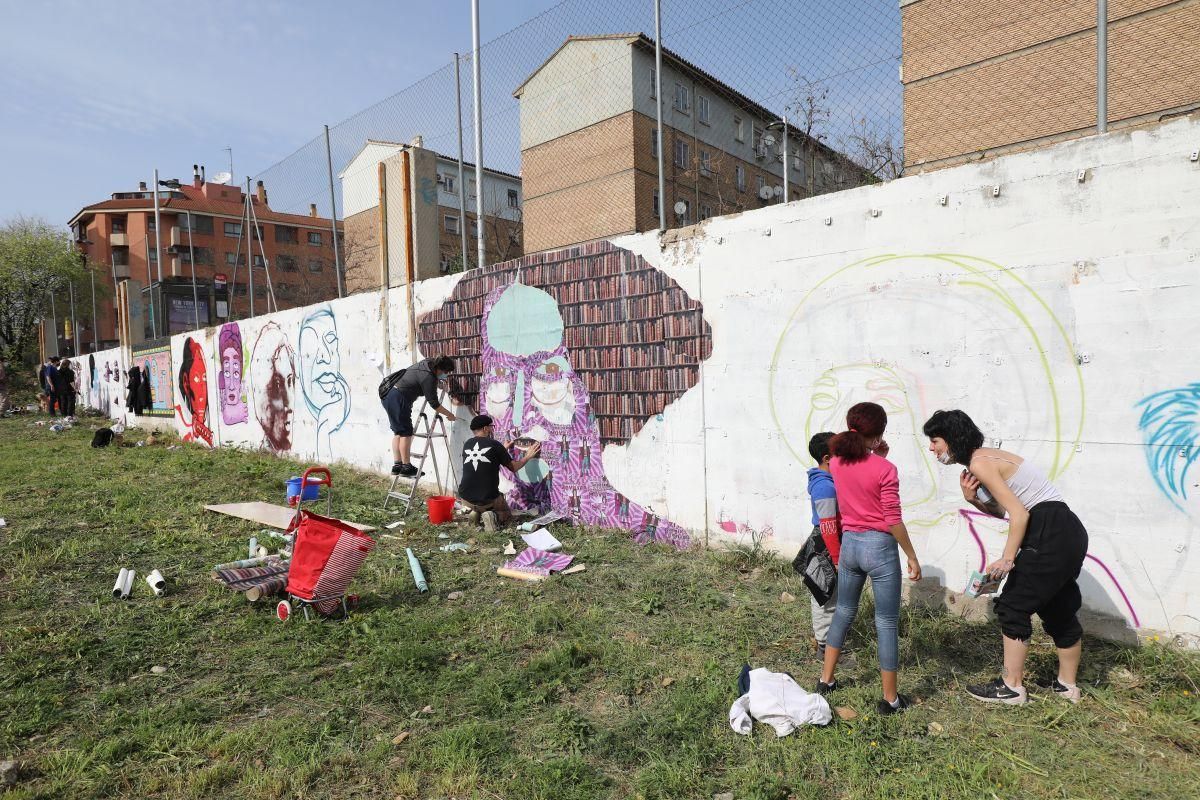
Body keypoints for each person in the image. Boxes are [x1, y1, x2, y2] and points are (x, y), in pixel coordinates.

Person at [924, 409, 1087, 705]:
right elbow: (1006, 511)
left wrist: (1008, 558)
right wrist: (972, 499)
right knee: (1058, 607)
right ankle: (1067, 687)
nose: (932, 448)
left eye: (935, 440)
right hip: (1066, 529)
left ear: (950, 438)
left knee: (1013, 605)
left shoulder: (979, 461)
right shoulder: (984, 459)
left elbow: (1020, 513)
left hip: (1048, 529)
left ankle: (1011, 687)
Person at [817, 401, 922, 715]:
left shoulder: (836, 462)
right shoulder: (886, 470)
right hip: (879, 549)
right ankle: (890, 699)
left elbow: (858, 476)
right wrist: (912, 555)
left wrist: (875, 454)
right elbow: (892, 518)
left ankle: (826, 680)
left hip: (850, 546)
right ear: (877, 435)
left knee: (844, 611)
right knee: (886, 622)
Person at [458, 414, 542, 532]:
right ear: (485, 428)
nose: (492, 429)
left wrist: (503, 449)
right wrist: (528, 456)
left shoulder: (467, 444)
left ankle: (475, 513)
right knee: (506, 513)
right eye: (491, 426)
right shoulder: (495, 445)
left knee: (479, 495)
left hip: (465, 497)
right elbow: (514, 467)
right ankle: (493, 516)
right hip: (486, 500)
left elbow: (484, 456)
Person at [381, 355, 458, 476]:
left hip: (389, 395)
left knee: (398, 432)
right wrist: (450, 414)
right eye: (445, 372)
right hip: (399, 397)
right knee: (406, 432)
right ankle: (406, 467)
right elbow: (434, 404)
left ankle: (397, 465)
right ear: (439, 368)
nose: (446, 375)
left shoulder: (426, 363)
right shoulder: (429, 377)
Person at [805, 432, 842, 659]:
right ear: (828, 458)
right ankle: (825, 647)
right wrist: (837, 559)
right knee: (825, 597)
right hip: (826, 544)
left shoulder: (827, 482)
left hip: (828, 542)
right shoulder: (825, 487)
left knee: (828, 595)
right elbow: (828, 526)